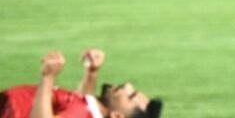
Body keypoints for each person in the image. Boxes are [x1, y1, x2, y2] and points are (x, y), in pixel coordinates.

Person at [0, 49, 162, 118]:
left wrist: (48, 78)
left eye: (130, 96)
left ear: (117, 116)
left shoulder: (82, 114)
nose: (127, 86)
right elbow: (82, 101)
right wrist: (91, 73)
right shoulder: (93, 111)